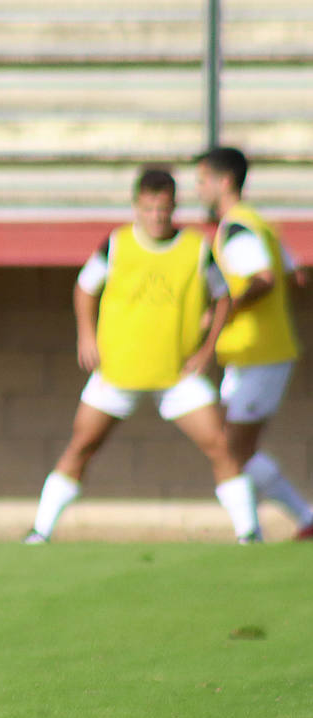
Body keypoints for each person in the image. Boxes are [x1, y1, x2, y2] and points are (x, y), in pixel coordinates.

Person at [25, 167, 260, 544]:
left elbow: (223, 296)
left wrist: (207, 348)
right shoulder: (117, 244)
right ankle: (40, 531)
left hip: (176, 376)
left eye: (164, 209)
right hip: (118, 372)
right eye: (149, 209)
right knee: (82, 445)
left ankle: (250, 534)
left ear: (174, 207)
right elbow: (85, 288)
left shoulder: (195, 247)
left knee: (220, 445)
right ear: (136, 206)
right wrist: (86, 335)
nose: (156, 217)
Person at [195, 146, 312, 539]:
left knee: (232, 452)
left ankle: (253, 533)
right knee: (233, 449)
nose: (197, 190)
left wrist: (223, 310)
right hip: (247, 355)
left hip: (261, 354)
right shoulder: (258, 222)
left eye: (201, 181)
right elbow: (297, 273)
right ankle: (303, 519)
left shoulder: (237, 227)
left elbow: (264, 278)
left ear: (223, 182)